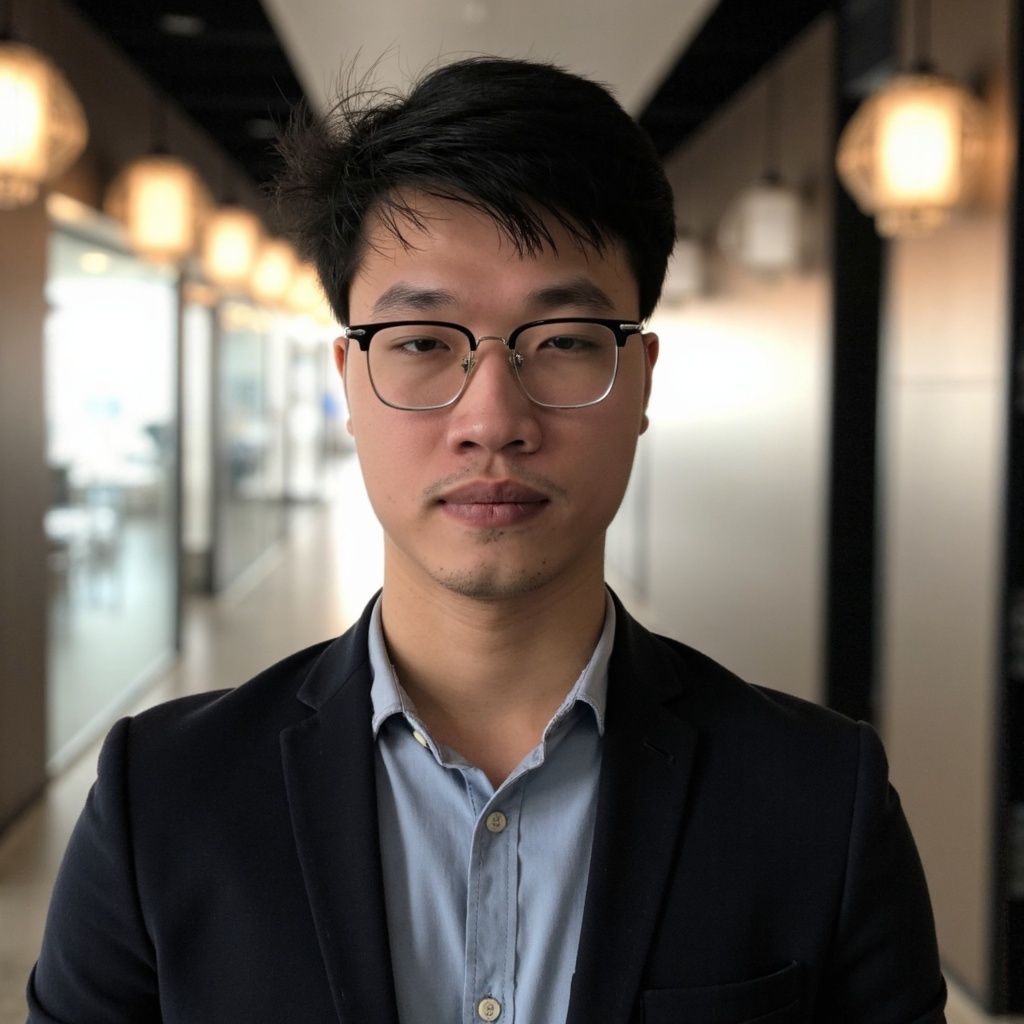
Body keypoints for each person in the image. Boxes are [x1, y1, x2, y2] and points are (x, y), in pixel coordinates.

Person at [27, 57, 946, 1024]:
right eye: (423, 343)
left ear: (639, 380)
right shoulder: (165, 798)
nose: (493, 419)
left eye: (562, 340)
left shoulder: (816, 802)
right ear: (348, 377)